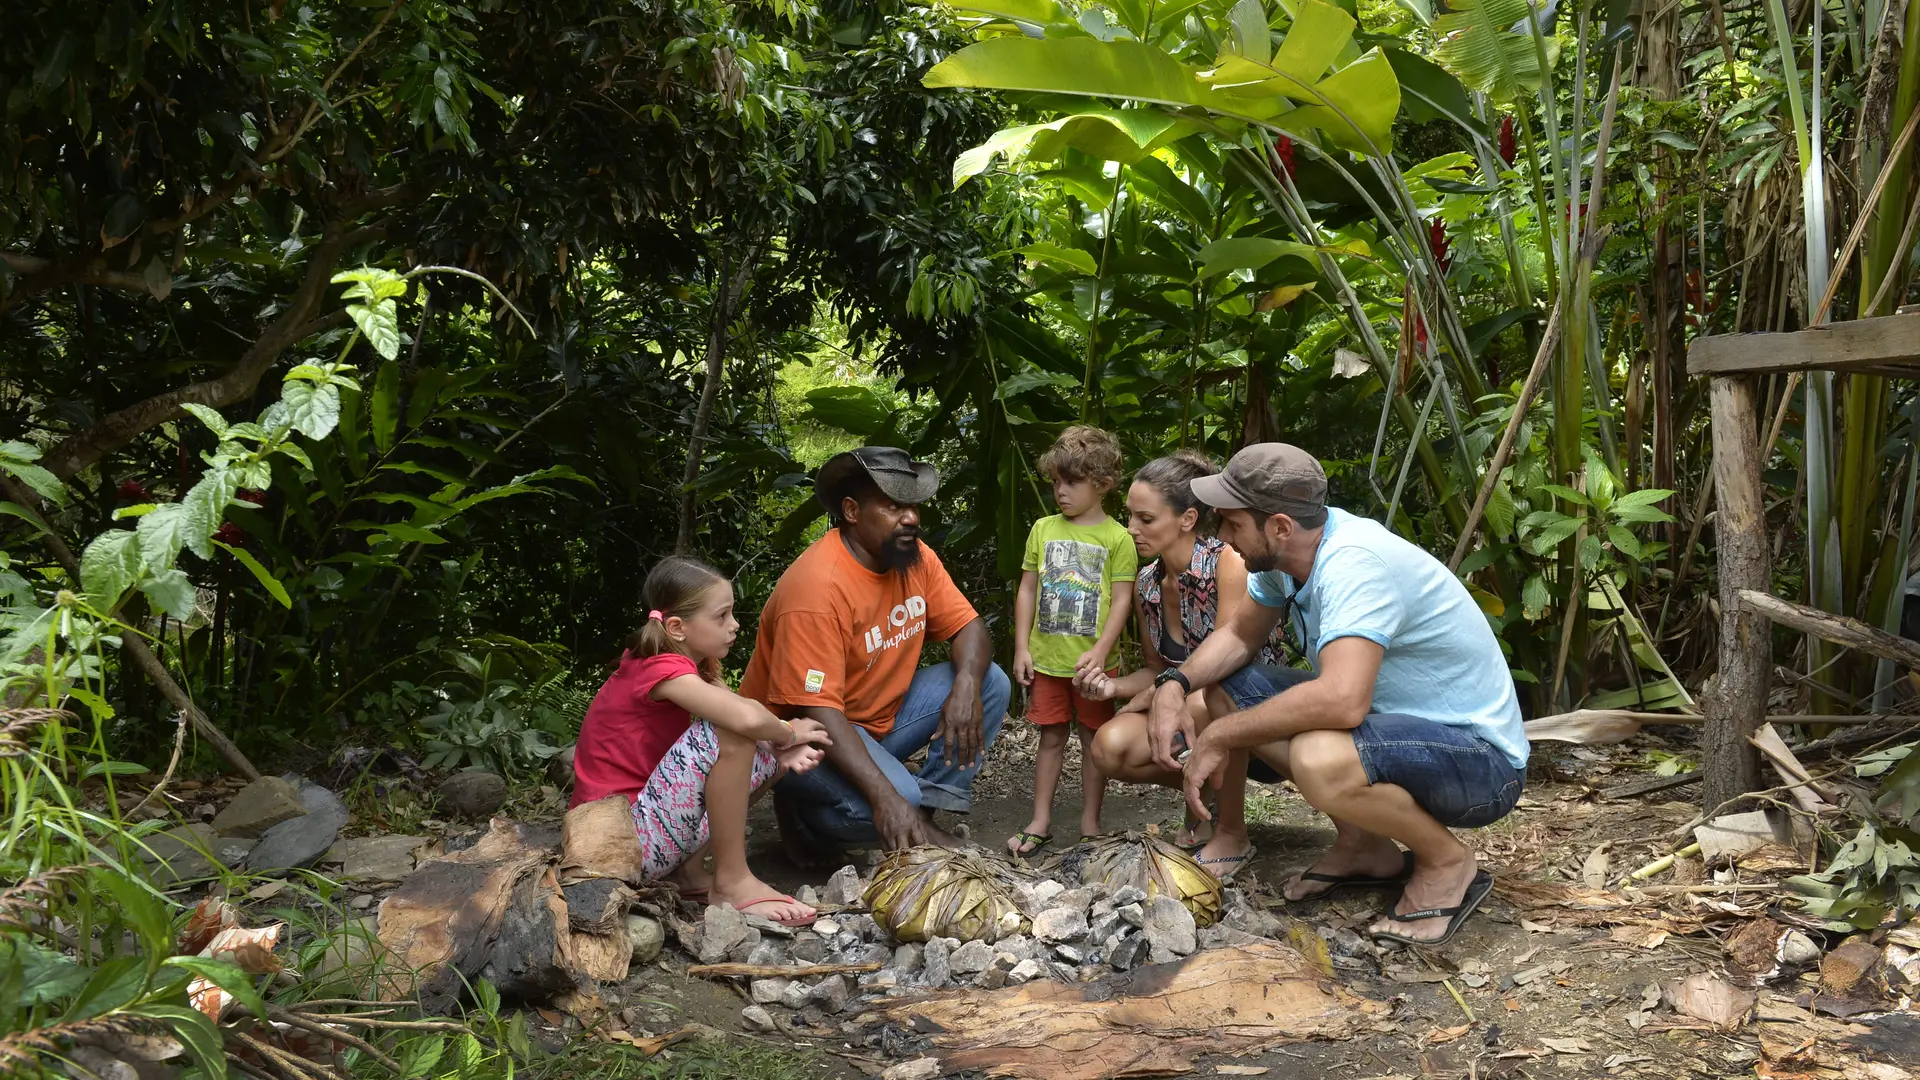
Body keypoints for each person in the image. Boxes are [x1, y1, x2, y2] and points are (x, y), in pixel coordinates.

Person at [1148, 444, 1527, 946]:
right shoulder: (1286, 557)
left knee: (1319, 756)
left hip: (1480, 761)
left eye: (1233, 524)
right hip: (1399, 730)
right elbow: (1240, 637)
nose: (1221, 537)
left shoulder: (1354, 563)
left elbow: (1343, 701)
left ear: (1280, 526)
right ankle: (1363, 844)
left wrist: (1220, 735)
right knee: (1228, 689)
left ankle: (1447, 862)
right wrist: (1174, 685)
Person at [742, 446, 1011, 862]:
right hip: (799, 737)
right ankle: (807, 812)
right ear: (851, 511)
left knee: (990, 681)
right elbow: (814, 709)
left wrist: (967, 686)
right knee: (889, 801)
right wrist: (886, 796)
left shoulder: (913, 557)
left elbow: (968, 626)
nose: (912, 518)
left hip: (876, 722)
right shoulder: (817, 589)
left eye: (913, 505)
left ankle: (920, 816)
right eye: (893, 506)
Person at [570, 556, 833, 926]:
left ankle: (689, 874)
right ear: (677, 627)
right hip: (617, 847)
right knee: (731, 731)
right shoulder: (659, 668)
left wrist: (776, 749)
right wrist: (790, 731)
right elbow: (744, 718)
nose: (734, 625)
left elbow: (745, 709)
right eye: (721, 616)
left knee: (762, 748)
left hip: (640, 835)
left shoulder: (687, 663)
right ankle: (733, 882)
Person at [1075, 450, 1288, 881]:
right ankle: (1209, 798)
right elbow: (1157, 669)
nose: (1131, 528)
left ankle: (1233, 832)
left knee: (1207, 695)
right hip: (1188, 703)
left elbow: (1231, 658)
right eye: (1130, 516)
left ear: (1187, 519)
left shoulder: (1226, 560)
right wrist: (1110, 688)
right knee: (1109, 747)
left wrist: (1161, 694)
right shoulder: (1148, 583)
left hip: (1253, 710)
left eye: (1145, 519)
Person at [1006, 426, 1137, 857]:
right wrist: (1022, 647)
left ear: (1102, 484)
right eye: (1056, 481)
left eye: (1072, 482)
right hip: (1046, 661)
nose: (1061, 491)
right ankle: (1040, 820)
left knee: (1094, 740)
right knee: (1050, 737)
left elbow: (1122, 602)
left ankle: (1090, 822)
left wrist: (1101, 653)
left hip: (1095, 667)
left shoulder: (1118, 538)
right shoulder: (1043, 529)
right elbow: (1027, 589)